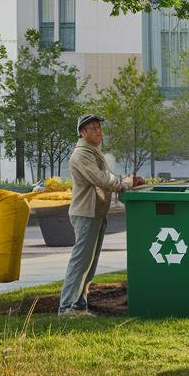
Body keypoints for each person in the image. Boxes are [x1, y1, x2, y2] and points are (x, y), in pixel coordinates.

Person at [62, 114, 144, 316]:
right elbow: (101, 179)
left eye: (99, 128)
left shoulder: (93, 152)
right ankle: (67, 307)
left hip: (96, 212)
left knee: (90, 262)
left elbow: (107, 178)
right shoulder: (81, 155)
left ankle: (79, 305)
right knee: (81, 261)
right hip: (86, 213)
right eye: (94, 128)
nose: (99, 132)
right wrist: (124, 183)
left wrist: (125, 181)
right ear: (83, 132)